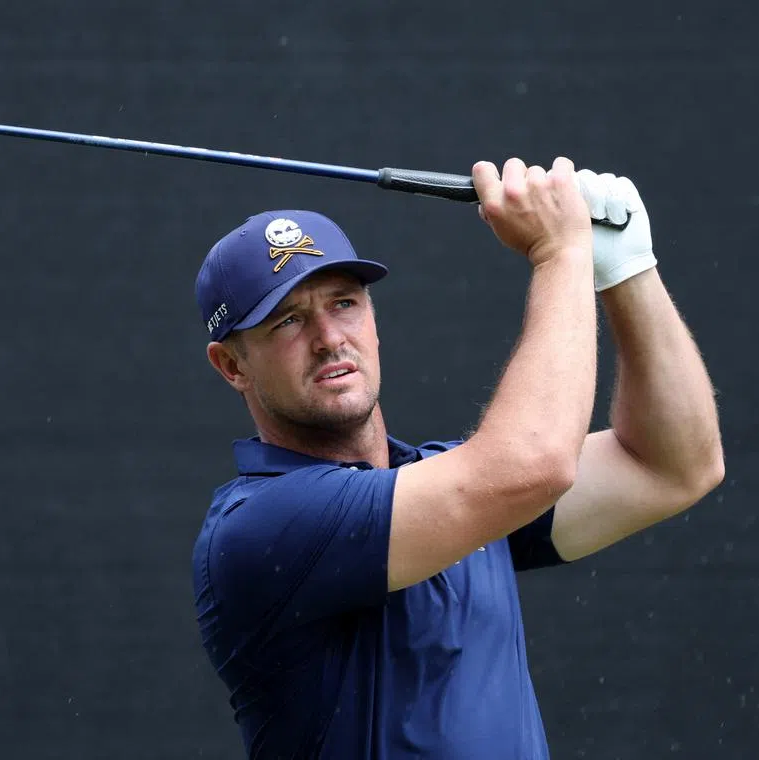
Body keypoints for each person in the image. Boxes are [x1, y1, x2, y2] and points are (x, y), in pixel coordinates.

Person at [189, 156, 725, 759]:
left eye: (344, 303)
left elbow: (672, 465)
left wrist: (628, 270)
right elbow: (534, 464)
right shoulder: (259, 525)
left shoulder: (457, 487)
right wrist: (560, 254)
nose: (329, 337)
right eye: (288, 320)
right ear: (232, 365)